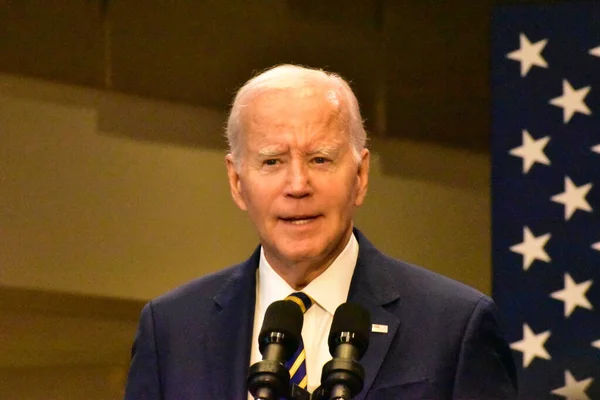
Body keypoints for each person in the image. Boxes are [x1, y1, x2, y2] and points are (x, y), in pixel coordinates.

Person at [124, 64, 517, 399]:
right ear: (236, 181)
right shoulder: (172, 330)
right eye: (272, 161)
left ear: (360, 175)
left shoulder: (454, 326)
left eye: (320, 159)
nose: (297, 184)